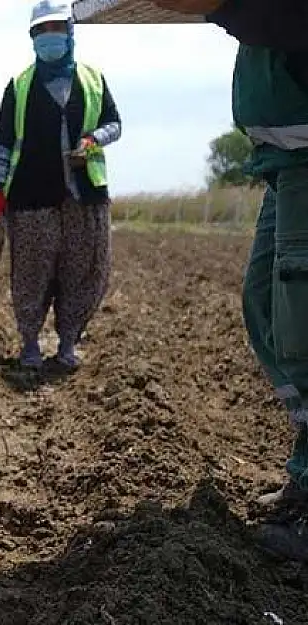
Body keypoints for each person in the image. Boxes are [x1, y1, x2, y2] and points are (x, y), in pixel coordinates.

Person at [150, 0, 308, 561]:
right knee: (267, 308)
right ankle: (304, 472)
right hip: (286, 162)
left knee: (304, 329)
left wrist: (221, 3)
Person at [0, 0, 122, 370]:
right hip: (32, 197)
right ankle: (30, 343)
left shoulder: (92, 79)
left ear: (70, 32)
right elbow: (3, 142)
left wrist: (93, 140)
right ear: (32, 37)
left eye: (56, 29)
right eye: (42, 31)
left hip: (85, 196)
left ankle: (67, 344)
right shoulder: (19, 86)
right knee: (31, 272)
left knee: (82, 272)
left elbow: (115, 123)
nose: (50, 37)